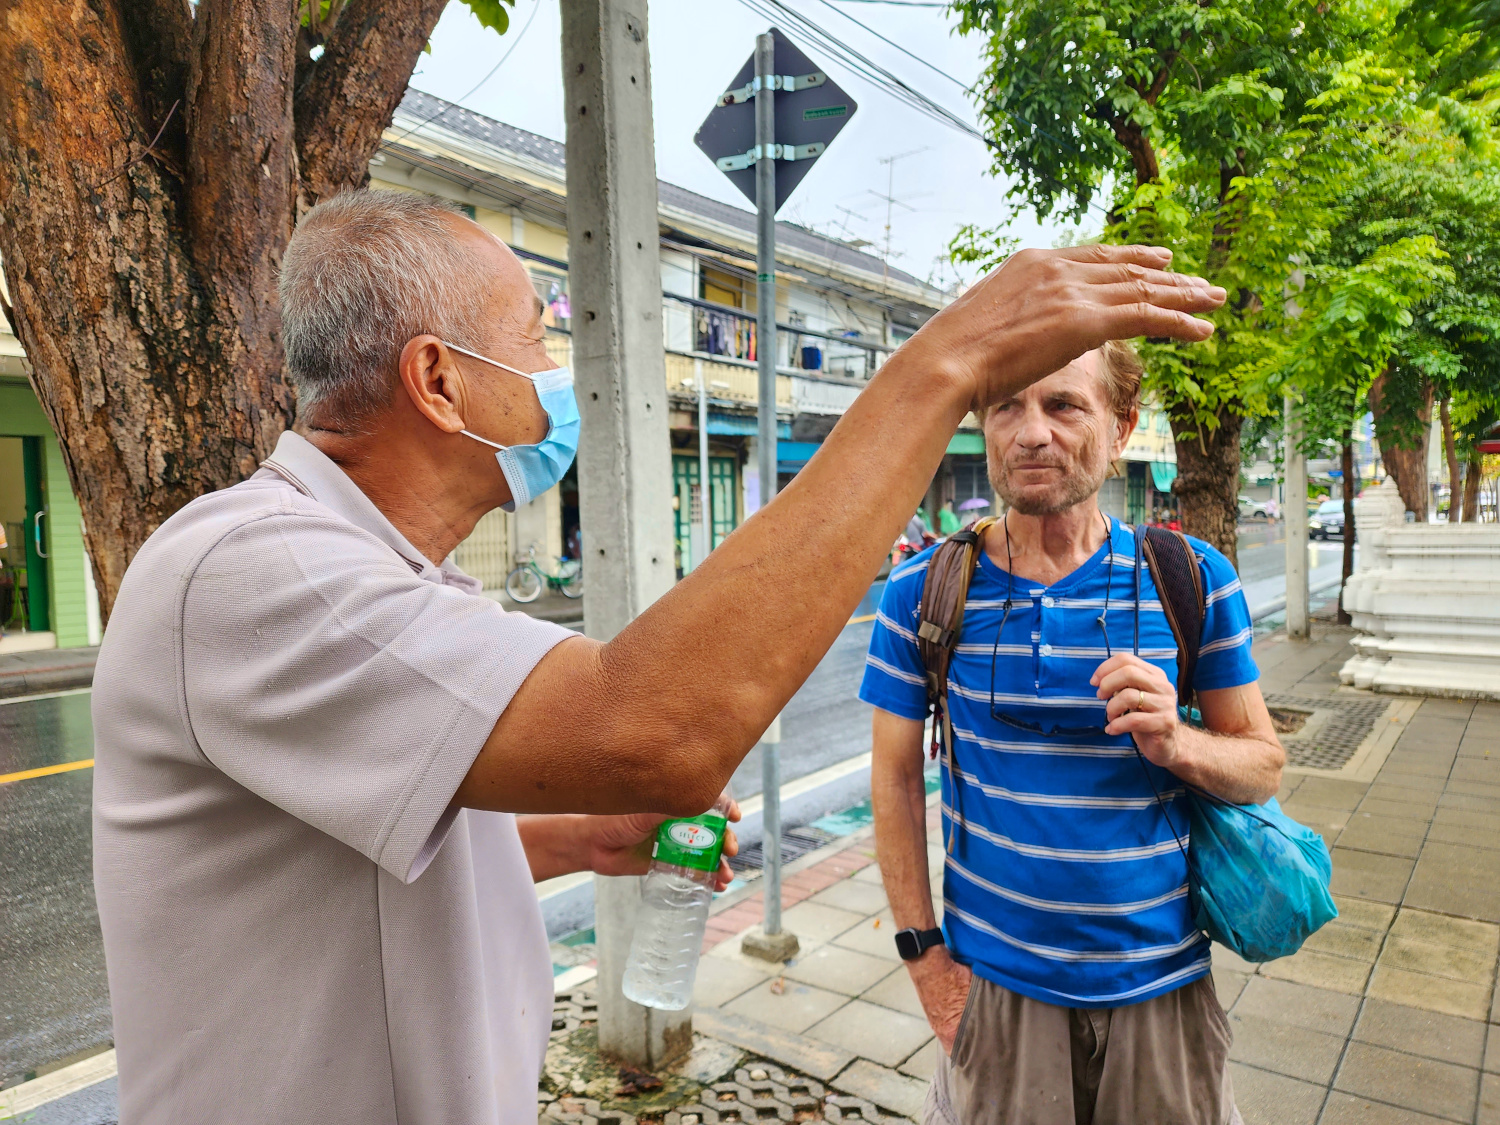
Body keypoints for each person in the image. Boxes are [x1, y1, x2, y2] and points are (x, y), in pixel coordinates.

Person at [89, 190, 1224, 1123]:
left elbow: (345, 870)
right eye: (534, 332)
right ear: (437, 379)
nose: (556, 366)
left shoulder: (399, 579)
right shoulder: (253, 569)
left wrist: (564, 839)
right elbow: (656, 731)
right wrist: (943, 362)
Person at [862, 341, 1281, 1125]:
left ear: (1121, 426)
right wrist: (926, 963)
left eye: (1063, 405)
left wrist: (1178, 742)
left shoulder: (1191, 578)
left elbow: (1262, 764)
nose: (1030, 432)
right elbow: (891, 779)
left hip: (1163, 987)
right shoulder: (924, 591)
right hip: (996, 992)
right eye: (1007, 407)